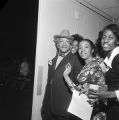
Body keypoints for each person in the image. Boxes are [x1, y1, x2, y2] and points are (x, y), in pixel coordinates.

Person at [41, 29, 83, 120]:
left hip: (65, 110)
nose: (64, 44)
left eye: (67, 41)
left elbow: (80, 85)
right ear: (57, 44)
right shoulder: (52, 60)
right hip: (49, 108)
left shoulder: (76, 59)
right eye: (61, 41)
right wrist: (45, 105)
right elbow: (49, 84)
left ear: (70, 44)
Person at [63, 39, 106, 120]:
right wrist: (66, 75)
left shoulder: (97, 63)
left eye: (86, 47)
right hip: (85, 109)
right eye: (80, 48)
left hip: (94, 110)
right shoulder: (86, 66)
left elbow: (103, 89)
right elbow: (78, 90)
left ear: (92, 50)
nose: (82, 50)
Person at [88, 24, 119, 120]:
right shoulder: (108, 59)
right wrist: (100, 96)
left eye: (110, 37)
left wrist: (108, 94)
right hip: (112, 106)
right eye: (104, 37)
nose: (105, 40)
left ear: (118, 41)